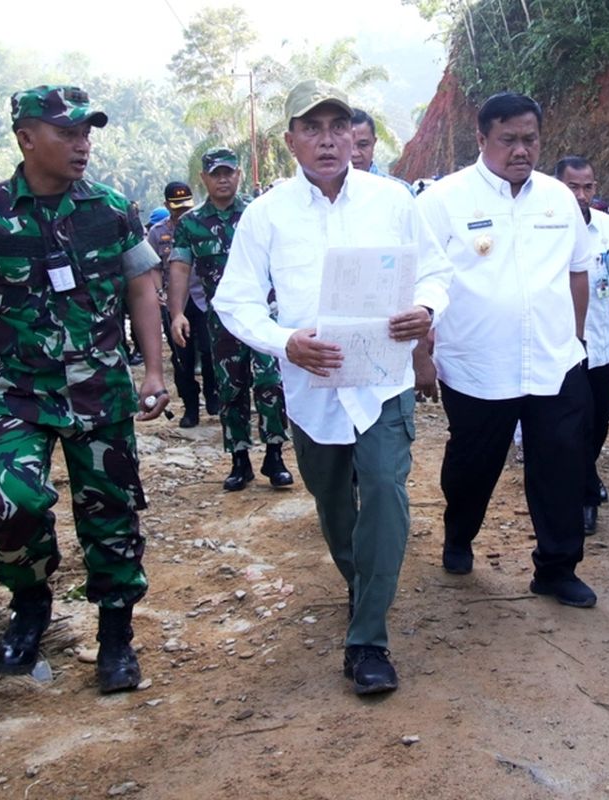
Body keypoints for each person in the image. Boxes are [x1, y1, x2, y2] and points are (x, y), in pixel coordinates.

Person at [0, 84, 168, 693]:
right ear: (26, 137)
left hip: (99, 390)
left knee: (111, 517)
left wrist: (154, 369)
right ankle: (30, 602)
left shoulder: (112, 208)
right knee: (12, 503)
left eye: (86, 132)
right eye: (67, 132)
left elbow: (143, 286)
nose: (81, 144)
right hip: (16, 393)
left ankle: (116, 634)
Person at [213, 79, 450, 695]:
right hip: (313, 387)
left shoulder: (393, 200)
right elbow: (234, 302)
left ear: (353, 135)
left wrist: (426, 307)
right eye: (311, 129)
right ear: (290, 140)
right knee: (333, 501)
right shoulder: (266, 215)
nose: (326, 140)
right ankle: (362, 581)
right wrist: (285, 341)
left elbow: (436, 271)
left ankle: (368, 638)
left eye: (337, 127)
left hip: (383, 380)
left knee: (385, 489)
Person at [416, 92, 598, 608]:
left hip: (554, 361)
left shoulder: (560, 199)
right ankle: (459, 532)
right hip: (477, 364)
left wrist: (577, 341)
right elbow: (421, 282)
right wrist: (422, 355)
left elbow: (577, 270)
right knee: (473, 465)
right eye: (509, 140)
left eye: (530, 139)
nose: (521, 150)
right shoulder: (443, 201)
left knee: (561, 465)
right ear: (482, 139)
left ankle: (557, 567)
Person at [168, 148, 293, 491]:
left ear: (238, 175)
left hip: (265, 314)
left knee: (269, 381)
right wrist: (177, 312)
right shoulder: (191, 223)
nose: (223, 179)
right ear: (204, 179)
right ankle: (240, 459)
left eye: (228, 172)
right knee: (231, 386)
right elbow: (180, 267)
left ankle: (275, 454)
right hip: (222, 318)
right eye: (215, 174)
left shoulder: (259, 213)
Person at [553, 155, 609, 537]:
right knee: (575, 423)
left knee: (599, 423)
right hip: (562, 346)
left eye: (587, 186)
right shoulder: (548, 228)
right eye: (572, 186)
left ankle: (585, 478)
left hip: (604, 345)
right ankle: (584, 497)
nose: (580, 194)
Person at [149, 182, 216, 428]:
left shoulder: (202, 225)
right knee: (183, 358)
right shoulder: (157, 233)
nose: (182, 212)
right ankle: (190, 407)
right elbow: (154, 266)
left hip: (203, 298)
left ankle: (212, 393)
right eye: (176, 208)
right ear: (167, 206)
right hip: (176, 301)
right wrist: (159, 292)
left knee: (210, 352)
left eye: (186, 206)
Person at [349, 108, 415, 195]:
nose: (354, 153)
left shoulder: (400, 193)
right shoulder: (327, 194)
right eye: (347, 146)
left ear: (374, 143)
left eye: (363, 145)